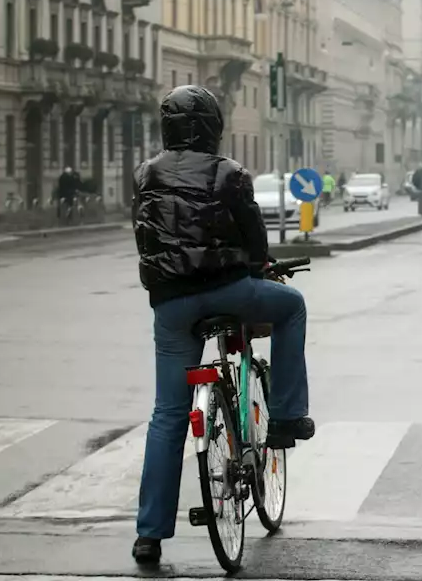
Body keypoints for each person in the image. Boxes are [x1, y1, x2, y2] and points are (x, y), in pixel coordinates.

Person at [130, 85, 315, 565]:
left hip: (171, 306)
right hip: (228, 290)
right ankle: (286, 418)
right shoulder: (229, 173)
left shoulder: (145, 173)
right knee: (291, 306)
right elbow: (254, 240)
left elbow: (145, 235)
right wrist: (260, 267)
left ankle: (149, 534)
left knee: (167, 416)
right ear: (212, 126)